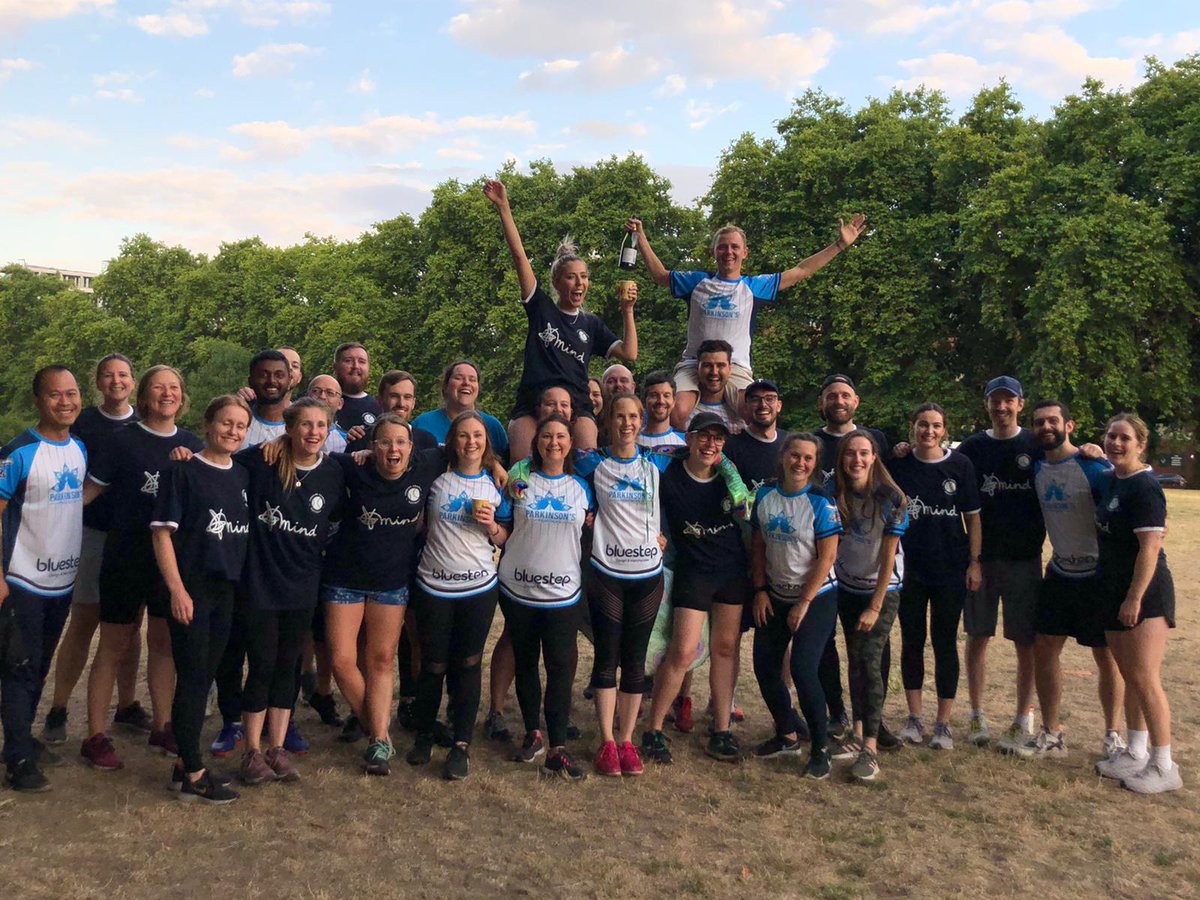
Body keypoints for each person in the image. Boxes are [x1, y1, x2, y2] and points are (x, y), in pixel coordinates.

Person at [627, 215, 867, 429]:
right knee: (677, 413)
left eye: (734, 247)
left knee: (752, 414)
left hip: (736, 366)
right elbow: (660, 275)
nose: (728, 252)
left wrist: (839, 245)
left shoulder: (753, 287)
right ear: (714, 252)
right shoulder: (698, 282)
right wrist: (641, 237)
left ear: (745, 252)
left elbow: (800, 270)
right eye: (722, 247)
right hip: (693, 363)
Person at [81, 366, 204, 770]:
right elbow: (89, 493)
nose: (166, 394)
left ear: (182, 396)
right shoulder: (122, 441)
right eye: (157, 388)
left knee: (164, 645)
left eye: (174, 387)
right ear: (145, 396)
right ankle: (95, 735)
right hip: (125, 558)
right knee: (114, 644)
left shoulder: (192, 445)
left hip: (169, 564)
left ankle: (164, 725)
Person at [231, 398, 346, 785]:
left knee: (289, 668)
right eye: (306, 425)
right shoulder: (263, 463)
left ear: (329, 431)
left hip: (303, 584)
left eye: (320, 426)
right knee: (261, 664)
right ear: (290, 428)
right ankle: (250, 751)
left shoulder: (334, 473)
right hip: (261, 583)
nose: (313, 432)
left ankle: (276, 749)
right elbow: (221, 455)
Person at [322, 414, 445, 775]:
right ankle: (378, 729)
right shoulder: (352, 466)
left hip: (392, 583)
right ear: (372, 447)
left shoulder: (427, 463)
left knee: (380, 660)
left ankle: (377, 742)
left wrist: (500, 472)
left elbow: (473, 447)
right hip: (344, 578)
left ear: (412, 447)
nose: (394, 449)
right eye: (385, 442)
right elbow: (311, 457)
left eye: (400, 442)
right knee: (342, 661)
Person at [484, 179, 638, 459]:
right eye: (571, 277)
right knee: (522, 467)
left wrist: (627, 311)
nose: (579, 283)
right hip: (534, 400)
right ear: (557, 282)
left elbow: (629, 352)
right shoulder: (542, 308)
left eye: (584, 277)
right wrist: (504, 208)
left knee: (587, 462)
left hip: (576, 403)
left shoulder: (591, 324)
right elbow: (519, 257)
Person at [150, 395, 251, 803]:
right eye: (225, 423)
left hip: (226, 590)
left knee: (204, 676)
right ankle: (193, 771)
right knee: (192, 678)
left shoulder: (241, 475)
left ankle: (183, 764)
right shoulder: (184, 470)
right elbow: (161, 533)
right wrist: (176, 589)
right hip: (192, 589)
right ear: (208, 424)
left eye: (241, 426)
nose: (233, 431)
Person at [42, 355, 147, 746]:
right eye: (108, 375)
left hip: (133, 540)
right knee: (83, 623)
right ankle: (58, 707)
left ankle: (128, 703)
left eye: (123, 375)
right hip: (90, 533)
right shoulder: (81, 422)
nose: (116, 381)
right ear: (98, 383)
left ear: (133, 383)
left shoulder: (146, 424)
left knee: (129, 628)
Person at [1016, 400, 1125, 761]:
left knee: (1107, 656)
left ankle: (1113, 734)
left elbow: (1131, 483)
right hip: (1060, 572)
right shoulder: (1035, 467)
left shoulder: (1094, 466)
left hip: (1097, 576)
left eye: (1053, 420)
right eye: (1039, 422)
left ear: (1069, 425)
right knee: (1045, 648)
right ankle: (1052, 733)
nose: (1046, 426)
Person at [641, 412, 752, 765]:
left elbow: (748, 511)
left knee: (725, 649)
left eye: (718, 438)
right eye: (704, 436)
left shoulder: (729, 477)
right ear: (688, 439)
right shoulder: (669, 475)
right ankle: (653, 729)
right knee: (683, 651)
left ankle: (721, 731)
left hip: (731, 569)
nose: (711, 444)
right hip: (693, 571)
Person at [573, 394, 674, 776]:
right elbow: (543, 466)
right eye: (620, 416)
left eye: (634, 416)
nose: (627, 423)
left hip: (647, 576)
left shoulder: (657, 462)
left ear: (642, 420)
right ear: (608, 420)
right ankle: (606, 741)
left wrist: (664, 534)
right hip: (606, 573)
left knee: (635, 661)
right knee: (606, 657)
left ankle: (627, 739)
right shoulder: (592, 462)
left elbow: (711, 460)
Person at [406, 412, 509, 780]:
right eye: (463, 435)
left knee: (467, 663)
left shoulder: (496, 484)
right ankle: (423, 733)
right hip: (433, 585)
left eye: (478, 435)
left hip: (478, 588)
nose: (471, 442)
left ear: (486, 442)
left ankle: (461, 744)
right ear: (452, 442)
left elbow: (505, 539)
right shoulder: (435, 479)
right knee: (432, 664)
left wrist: (492, 526)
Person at [0, 365, 86, 792]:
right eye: (56, 395)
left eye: (72, 393)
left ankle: (22, 740)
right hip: (22, 581)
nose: (66, 401)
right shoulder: (18, 453)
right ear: (39, 400)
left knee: (40, 667)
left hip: (62, 581)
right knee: (19, 667)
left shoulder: (80, 450)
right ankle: (16, 760)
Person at [497, 414, 592, 780]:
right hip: (518, 589)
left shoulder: (583, 486)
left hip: (563, 593)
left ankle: (558, 748)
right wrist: (491, 528)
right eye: (547, 436)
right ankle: (532, 733)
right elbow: (504, 528)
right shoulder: (520, 481)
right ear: (536, 442)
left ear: (570, 444)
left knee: (561, 667)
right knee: (525, 663)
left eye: (561, 436)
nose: (554, 442)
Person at [1091, 414, 1181, 794]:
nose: (1116, 443)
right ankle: (1136, 751)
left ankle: (1164, 765)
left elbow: (1150, 548)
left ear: (1141, 445)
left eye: (1125, 438)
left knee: (1145, 678)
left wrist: (1134, 598)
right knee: (1131, 677)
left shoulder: (1145, 488)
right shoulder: (1112, 480)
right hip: (1112, 590)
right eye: (1111, 436)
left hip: (1144, 595)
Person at [886, 403, 981, 749]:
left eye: (936, 426)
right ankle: (914, 717)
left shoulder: (960, 465)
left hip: (950, 568)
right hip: (909, 569)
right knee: (912, 640)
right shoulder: (899, 463)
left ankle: (943, 723)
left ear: (944, 430)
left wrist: (974, 562)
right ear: (912, 428)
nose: (929, 431)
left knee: (944, 642)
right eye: (922, 425)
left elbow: (973, 517)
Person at [957, 376, 1043, 750]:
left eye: (1010, 400)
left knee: (1026, 641)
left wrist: (1090, 448)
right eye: (996, 400)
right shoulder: (973, 448)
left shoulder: (1036, 444)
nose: (1002, 407)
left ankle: (1022, 718)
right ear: (987, 404)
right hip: (982, 559)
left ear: (1021, 405)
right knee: (978, 636)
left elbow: (1068, 458)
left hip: (1025, 559)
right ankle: (976, 714)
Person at [749, 433, 842, 779]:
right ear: (783, 456)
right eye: (795, 455)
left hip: (815, 597)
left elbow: (828, 555)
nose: (800, 463)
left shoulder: (820, 500)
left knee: (804, 670)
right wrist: (759, 589)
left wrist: (803, 603)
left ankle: (820, 747)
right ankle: (787, 732)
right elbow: (758, 547)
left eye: (808, 458)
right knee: (764, 667)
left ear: (815, 463)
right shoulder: (765, 495)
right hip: (774, 593)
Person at [812, 374, 894, 746]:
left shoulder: (877, 444)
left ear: (856, 401)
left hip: (877, 577)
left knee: (873, 652)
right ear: (822, 402)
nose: (839, 401)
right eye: (832, 395)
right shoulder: (814, 444)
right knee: (832, 644)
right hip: (836, 572)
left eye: (845, 395)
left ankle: (872, 723)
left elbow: (895, 485)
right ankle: (840, 714)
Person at [829, 431, 907, 780]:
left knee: (870, 660)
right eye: (850, 454)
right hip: (847, 585)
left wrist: (875, 606)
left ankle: (871, 749)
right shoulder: (835, 492)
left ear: (874, 457)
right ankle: (857, 730)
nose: (856, 460)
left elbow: (888, 556)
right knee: (854, 657)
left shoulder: (891, 497)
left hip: (882, 589)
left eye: (863, 453)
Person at [412, 361, 509, 462]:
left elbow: (506, 467)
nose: (466, 383)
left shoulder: (493, 426)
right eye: (459, 378)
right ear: (445, 386)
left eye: (472, 379)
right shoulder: (423, 423)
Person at [685, 340, 745, 432]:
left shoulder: (740, 415)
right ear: (698, 367)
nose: (714, 372)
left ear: (730, 368)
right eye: (707, 365)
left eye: (721, 365)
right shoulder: (685, 414)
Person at [243, 350, 292, 447]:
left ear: (289, 381)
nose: (272, 381)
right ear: (250, 381)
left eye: (279, 375)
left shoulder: (301, 422)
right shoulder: (238, 421)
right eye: (263, 375)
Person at [332, 342, 383, 433]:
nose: (356, 366)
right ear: (335, 367)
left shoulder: (379, 408)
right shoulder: (322, 401)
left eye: (362, 361)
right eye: (348, 361)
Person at [637, 371, 685, 454]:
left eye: (666, 396)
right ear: (644, 400)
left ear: (674, 401)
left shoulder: (686, 440)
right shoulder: (632, 440)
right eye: (654, 395)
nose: (661, 401)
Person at [305, 375, 350, 454]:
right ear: (306, 396)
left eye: (330, 393)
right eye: (316, 391)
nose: (322, 396)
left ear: (340, 403)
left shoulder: (347, 440)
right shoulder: (291, 432)